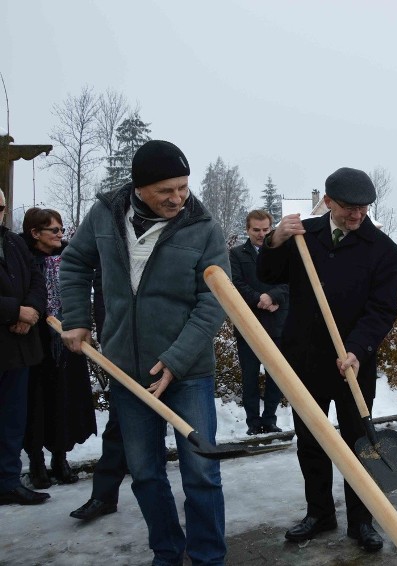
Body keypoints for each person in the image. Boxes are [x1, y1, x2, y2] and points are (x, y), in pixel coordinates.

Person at [60, 140, 229, 565]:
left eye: (183, 187)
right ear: (139, 188)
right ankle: (167, 553)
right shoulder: (104, 214)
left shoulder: (204, 227)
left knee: (201, 471)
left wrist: (174, 361)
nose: (178, 198)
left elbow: (215, 302)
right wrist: (76, 317)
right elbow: (76, 263)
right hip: (127, 370)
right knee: (146, 473)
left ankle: (209, 557)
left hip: (187, 371)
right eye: (166, 190)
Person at [257, 167, 397, 553]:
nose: (357, 216)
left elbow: (383, 309)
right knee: (311, 439)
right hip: (305, 358)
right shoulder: (305, 236)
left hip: (354, 361)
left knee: (359, 441)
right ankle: (319, 513)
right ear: (329, 202)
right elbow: (266, 273)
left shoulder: (382, 249)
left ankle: (362, 522)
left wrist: (356, 348)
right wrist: (275, 239)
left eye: (363, 209)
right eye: (349, 208)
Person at [21, 208, 96, 488]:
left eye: (62, 230)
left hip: (68, 340)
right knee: (36, 402)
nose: (60, 235)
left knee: (65, 400)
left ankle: (60, 458)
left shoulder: (70, 257)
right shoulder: (24, 258)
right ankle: (36, 461)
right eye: (54, 230)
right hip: (35, 341)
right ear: (35, 233)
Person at [0, 191, 50, 506]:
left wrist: (30, 311)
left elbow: (36, 280)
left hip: (17, 349)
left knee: (12, 420)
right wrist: (13, 311)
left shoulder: (14, 242)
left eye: (0, 206)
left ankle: (7, 481)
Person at [70, 268, 129, 522]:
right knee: (119, 423)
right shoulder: (112, 245)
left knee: (189, 429)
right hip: (124, 349)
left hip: (174, 347)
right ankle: (104, 496)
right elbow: (103, 291)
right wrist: (111, 337)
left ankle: (199, 498)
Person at [230, 209, 289, 435]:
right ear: (247, 229)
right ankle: (253, 423)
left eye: (266, 230)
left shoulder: (282, 252)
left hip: (277, 323)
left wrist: (273, 296)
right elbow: (235, 283)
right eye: (256, 230)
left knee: (276, 377)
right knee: (250, 378)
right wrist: (260, 299)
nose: (261, 234)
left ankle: (270, 420)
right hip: (248, 325)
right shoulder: (236, 254)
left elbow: (291, 282)